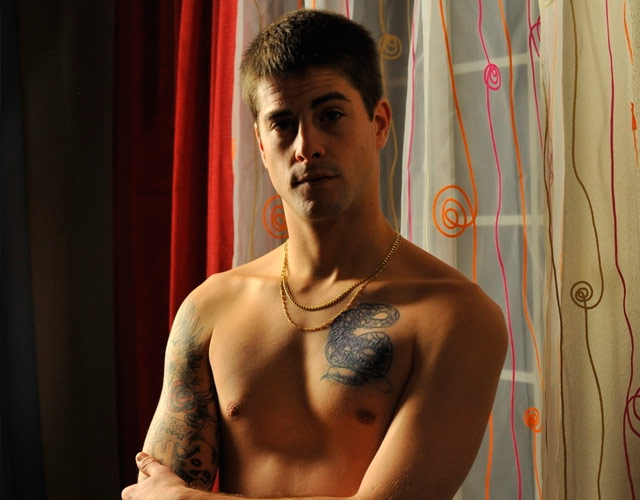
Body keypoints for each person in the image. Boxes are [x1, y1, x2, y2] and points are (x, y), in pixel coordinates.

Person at [121, 9, 507, 500]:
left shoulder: (455, 317)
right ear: (262, 146)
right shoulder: (210, 309)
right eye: (283, 124)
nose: (308, 146)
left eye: (331, 116)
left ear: (379, 124)